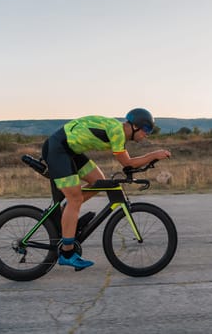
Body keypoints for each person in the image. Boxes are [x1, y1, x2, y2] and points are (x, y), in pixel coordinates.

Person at [41, 108, 171, 269]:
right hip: (58, 148)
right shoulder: (117, 132)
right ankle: (67, 253)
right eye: (146, 130)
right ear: (135, 126)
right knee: (75, 199)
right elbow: (128, 163)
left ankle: (68, 214)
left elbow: (128, 164)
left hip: (70, 150)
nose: (147, 135)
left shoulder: (118, 131)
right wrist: (154, 155)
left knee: (98, 182)